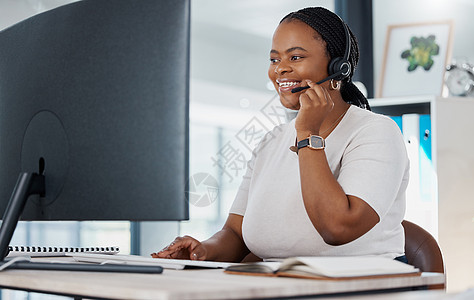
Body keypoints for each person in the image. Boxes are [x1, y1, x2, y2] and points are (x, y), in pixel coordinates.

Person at [152, 7, 409, 263]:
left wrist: (308, 133)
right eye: (274, 59)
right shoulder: (271, 141)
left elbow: (338, 228)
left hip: (359, 284)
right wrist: (203, 250)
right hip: (277, 282)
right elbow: (235, 233)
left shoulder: (376, 132)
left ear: (338, 67)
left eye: (295, 57)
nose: (280, 70)